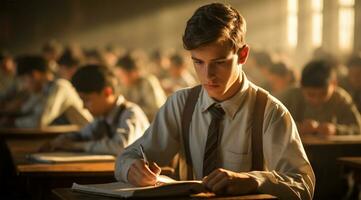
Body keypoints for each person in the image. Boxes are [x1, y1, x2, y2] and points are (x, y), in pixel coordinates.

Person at [115, 3, 315, 200]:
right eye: (198, 62)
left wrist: (253, 180)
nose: (207, 75)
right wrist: (132, 169)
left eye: (219, 63)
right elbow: (127, 156)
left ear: (242, 55)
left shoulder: (269, 112)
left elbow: (303, 185)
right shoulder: (181, 104)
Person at [40, 64, 149, 155]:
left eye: (86, 100)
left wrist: (75, 146)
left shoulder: (131, 113)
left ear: (107, 93)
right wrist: (61, 140)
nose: (83, 106)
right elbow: (83, 135)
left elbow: (121, 147)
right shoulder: (103, 117)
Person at [280, 59, 361, 136]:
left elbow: (358, 128)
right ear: (301, 86)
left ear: (334, 84)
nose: (316, 100)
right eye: (310, 94)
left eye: (323, 94)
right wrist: (296, 128)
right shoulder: (291, 96)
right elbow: (273, 125)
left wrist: (336, 130)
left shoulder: (341, 99)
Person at [11, 55, 92, 128]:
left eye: (23, 80)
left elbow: (40, 121)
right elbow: (25, 111)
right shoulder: (44, 91)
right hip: (73, 138)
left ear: (34, 75)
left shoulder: (60, 86)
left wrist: (13, 122)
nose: (23, 86)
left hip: (88, 137)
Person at [114, 53, 166, 121]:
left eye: (121, 76)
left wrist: (130, 111)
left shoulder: (148, 82)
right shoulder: (123, 86)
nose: (120, 80)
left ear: (133, 73)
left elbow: (156, 110)